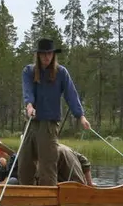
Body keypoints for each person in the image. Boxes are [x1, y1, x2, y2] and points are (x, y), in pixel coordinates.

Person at [19, 38, 90, 186]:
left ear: (53, 55)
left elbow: (71, 95)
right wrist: (29, 106)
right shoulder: (29, 71)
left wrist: (81, 117)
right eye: (43, 54)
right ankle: (25, 195)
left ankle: (47, 197)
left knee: (47, 165)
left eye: (50, 54)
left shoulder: (61, 73)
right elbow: (28, 91)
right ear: (38, 55)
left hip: (49, 124)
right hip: (31, 122)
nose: (47, 57)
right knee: (24, 161)